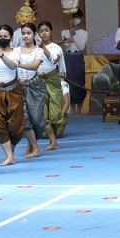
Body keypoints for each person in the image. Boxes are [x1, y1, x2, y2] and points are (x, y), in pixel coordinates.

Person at [0, 25, 24, 166]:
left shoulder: (16, 53)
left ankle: (10, 153)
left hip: (14, 92)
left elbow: (13, 66)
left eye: (5, 36)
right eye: (0, 36)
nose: (2, 39)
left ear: (11, 38)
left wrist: (1, 55)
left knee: (15, 126)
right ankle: (9, 156)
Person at [15, 22, 46, 159]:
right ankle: (36, 148)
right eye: (23, 33)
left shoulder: (39, 51)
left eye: (28, 33)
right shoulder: (16, 50)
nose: (25, 36)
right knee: (25, 119)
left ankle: (31, 144)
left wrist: (18, 64)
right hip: (20, 86)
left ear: (34, 35)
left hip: (36, 86)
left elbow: (35, 66)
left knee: (37, 120)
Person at [37, 20, 67, 149]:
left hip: (53, 80)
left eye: (46, 30)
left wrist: (42, 48)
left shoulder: (56, 47)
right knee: (43, 112)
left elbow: (54, 60)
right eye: (41, 31)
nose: (44, 33)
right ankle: (52, 142)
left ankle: (57, 127)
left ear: (51, 32)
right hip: (39, 81)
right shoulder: (34, 49)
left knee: (55, 114)